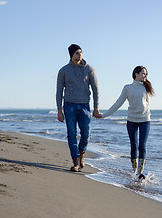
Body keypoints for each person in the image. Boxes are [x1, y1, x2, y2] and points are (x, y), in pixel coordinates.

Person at [101, 66, 154, 180]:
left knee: (142, 145)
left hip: (145, 120)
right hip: (131, 120)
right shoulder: (128, 88)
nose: (145, 76)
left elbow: (148, 104)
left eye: (146, 74)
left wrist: (146, 114)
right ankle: (135, 171)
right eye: (143, 73)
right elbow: (118, 104)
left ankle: (140, 173)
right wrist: (104, 115)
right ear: (136, 74)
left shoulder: (146, 87)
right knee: (134, 146)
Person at [56, 44, 101, 172]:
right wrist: (59, 110)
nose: (80, 54)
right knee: (71, 133)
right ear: (71, 54)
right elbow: (59, 91)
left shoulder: (89, 69)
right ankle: (75, 161)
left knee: (86, 134)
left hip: (84, 106)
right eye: (77, 52)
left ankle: (81, 154)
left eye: (81, 52)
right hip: (69, 105)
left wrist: (96, 107)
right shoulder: (63, 71)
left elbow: (96, 89)